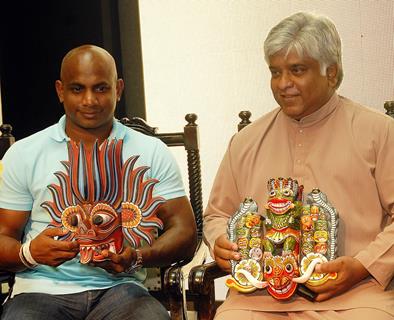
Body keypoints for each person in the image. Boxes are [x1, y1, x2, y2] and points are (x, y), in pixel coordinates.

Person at [203, 12, 394, 320]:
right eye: (275, 72)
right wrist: (221, 243)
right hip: (258, 297)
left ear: (331, 73)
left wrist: (362, 265)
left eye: (297, 70)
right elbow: (217, 214)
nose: (283, 84)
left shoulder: (379, 132)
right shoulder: (246, 141)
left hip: (356, 295)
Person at [0, 44, 197, 320]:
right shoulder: (24, 153)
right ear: (60, 91)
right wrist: (29, 253)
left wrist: (136, 256)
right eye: (77, 89)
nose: (89, 100)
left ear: (118, 89)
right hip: (40, 290)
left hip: (122, 290)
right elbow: (3, 235)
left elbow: (185, 232)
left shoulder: (151, 151)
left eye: (101, 88)